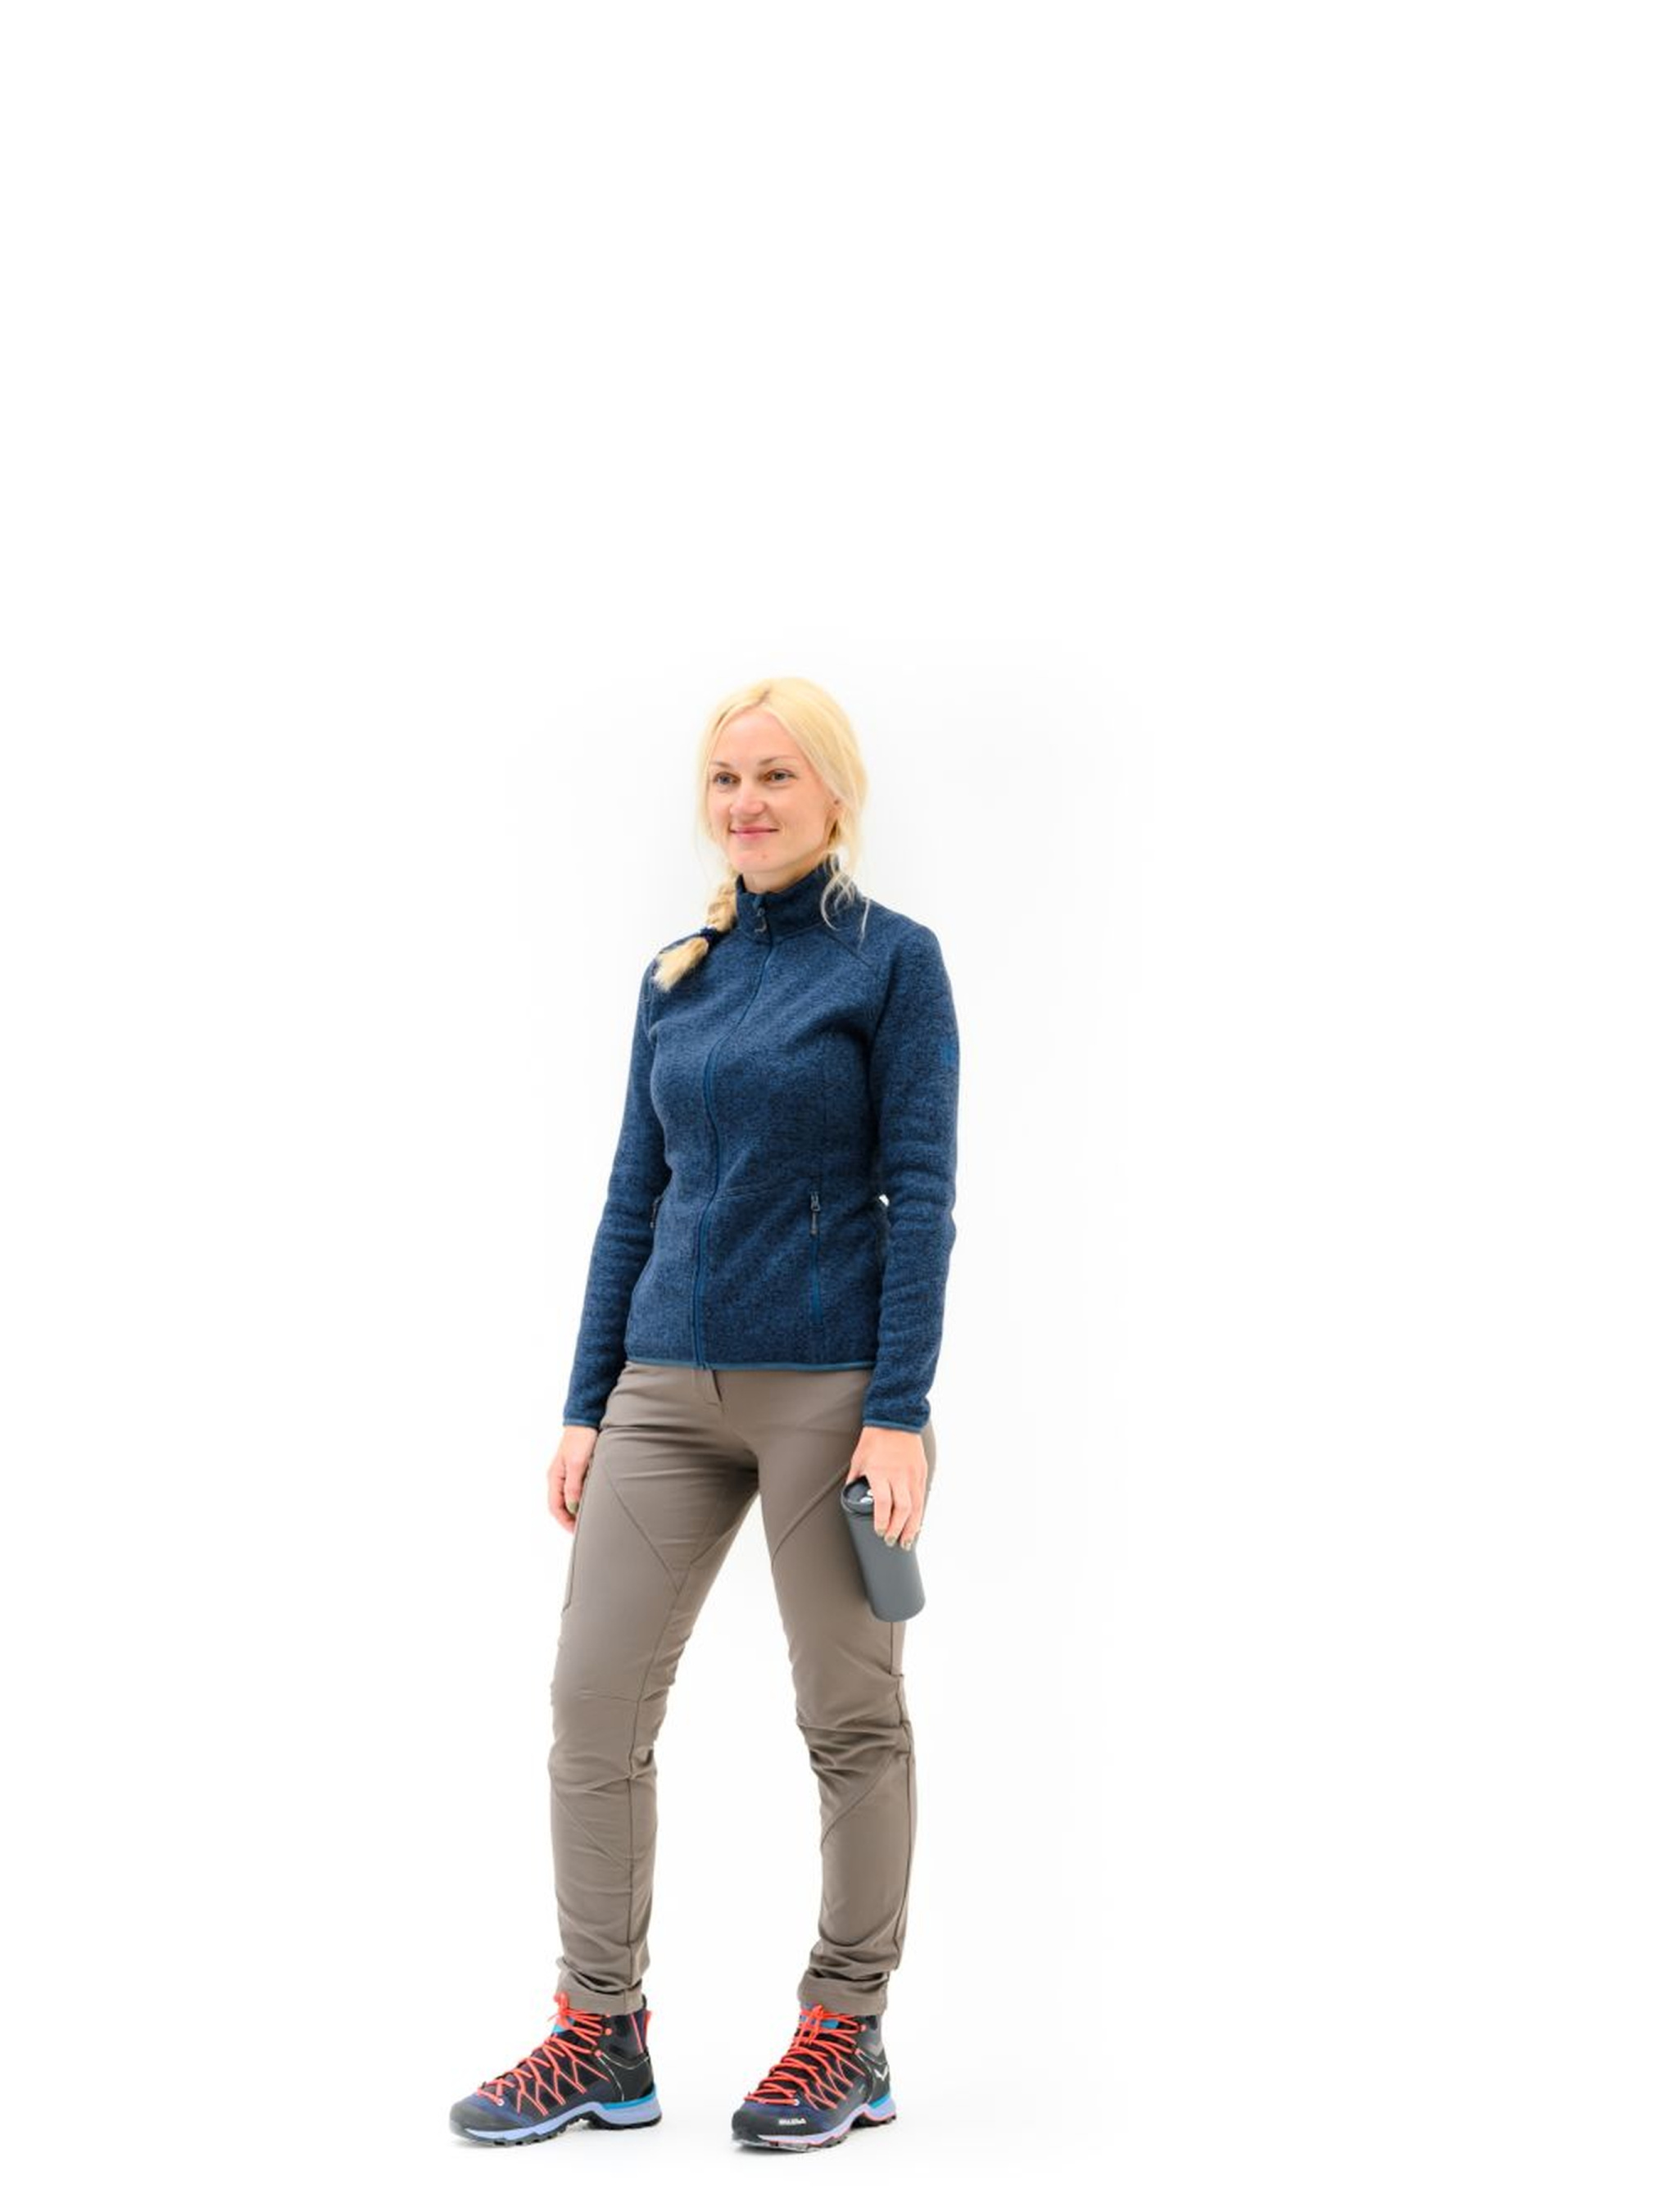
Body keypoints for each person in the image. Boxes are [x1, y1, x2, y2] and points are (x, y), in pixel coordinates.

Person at [449, 676, 960, 2153]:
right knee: (591, 1705)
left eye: (777, 775)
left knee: (848, 1714)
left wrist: (898, 1409)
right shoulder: (676, 976)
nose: (746, 802)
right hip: (662, 1389)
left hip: (829, 1397)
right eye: (726, 777)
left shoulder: (893, 965)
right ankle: (599, 2033)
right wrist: (585, 1403)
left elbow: (921, 1194)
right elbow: (634, 1196)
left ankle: (844, 2029)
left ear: (834, 795)